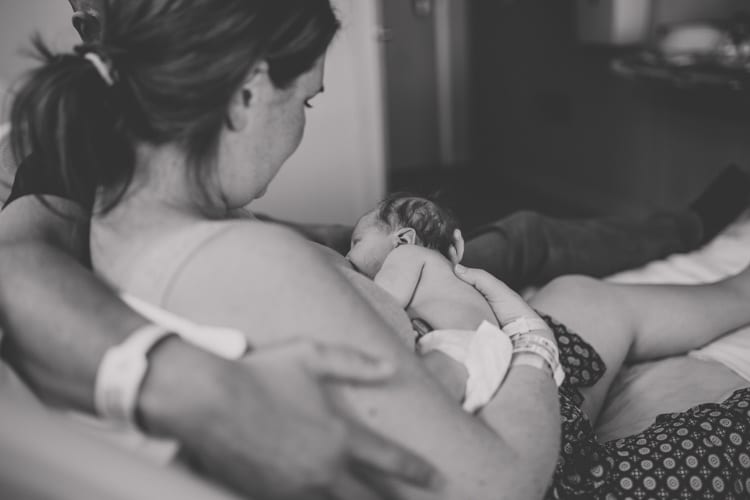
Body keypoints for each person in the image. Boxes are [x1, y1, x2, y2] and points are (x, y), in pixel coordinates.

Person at [8, 3, 750, 500]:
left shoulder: (106, 219)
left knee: (583, 294)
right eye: (307, 102)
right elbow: (495, 484)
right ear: (247, 92)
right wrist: (528, 343)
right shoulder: (250, 266)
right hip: (522, 462)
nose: (301, 127)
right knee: (717, 430)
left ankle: (737, 283)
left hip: (458, 391)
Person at [347, 194, 497, 331]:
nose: (347, 255)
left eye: (356, 242)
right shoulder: (440, 271)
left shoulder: (404, 254)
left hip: (459, 340)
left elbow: (381, 303)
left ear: (403, 240)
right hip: (487, 342)